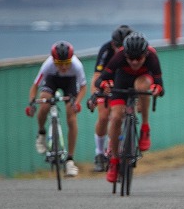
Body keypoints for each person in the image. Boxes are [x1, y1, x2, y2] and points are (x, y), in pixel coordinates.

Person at [94, 32, 163, 184]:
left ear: (145, 54)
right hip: (122, 81)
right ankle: (113, 161)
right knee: (117, 117)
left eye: (139, 58)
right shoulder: (118, 57)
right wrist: (104, 85)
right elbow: (100, 80)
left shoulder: (152, 56)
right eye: (130, 58)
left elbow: (160, 84)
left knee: (143, 85)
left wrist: (157, 89)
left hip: (142, 80)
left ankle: (145, 127)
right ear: (125, 55)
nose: (134, 62)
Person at [25, 41, 87, 177]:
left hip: (70, 83)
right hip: (52, 80)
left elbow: (83, 87)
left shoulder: (76, 66)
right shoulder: (48, 65)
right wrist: (31, 103)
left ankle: (70, 160)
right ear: (54, 61)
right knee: (44, 102)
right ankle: (41, 132)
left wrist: (77, 102)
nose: (64, 67)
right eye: (60, 64)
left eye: (67, 63)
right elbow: (35, 86)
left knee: (71, 117)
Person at [90, 24, 133, 172]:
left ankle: (126, 143)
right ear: (113, 44)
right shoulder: (106, 50)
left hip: (125, 82)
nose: (120, 50)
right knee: (103, 116)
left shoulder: (133, 51)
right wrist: (96, 94)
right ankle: (100, 153)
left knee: (125, 112)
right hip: (107, 81)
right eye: (117, 46)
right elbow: (97, 76)